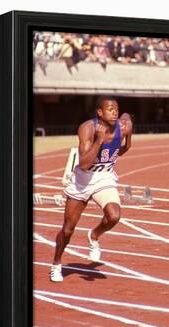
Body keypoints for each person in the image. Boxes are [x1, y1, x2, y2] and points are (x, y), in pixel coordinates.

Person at [50, 97, 133, 282]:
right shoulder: (87, 129)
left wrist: (111, 157)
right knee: (68, 230)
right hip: (82, 181)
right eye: (110, 109)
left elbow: (127, 145)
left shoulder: (124, 126)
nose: (115, 112)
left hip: (104, 178)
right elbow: (85, 164)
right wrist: (99, 141)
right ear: (99, 112)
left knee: (114, 216)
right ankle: (56, 263)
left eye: (117, 109)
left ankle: (94, 236)